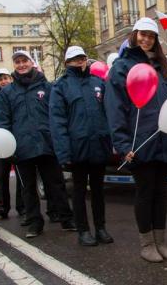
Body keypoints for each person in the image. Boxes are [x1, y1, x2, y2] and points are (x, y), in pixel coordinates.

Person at [105, 17, 167, 263]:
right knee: (145, 192)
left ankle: (161, 241)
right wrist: (123, 145)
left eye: (151, 36)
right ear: (134, 35)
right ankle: (147, 243)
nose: (146, 39)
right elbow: (115, 109)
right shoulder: (122, 67)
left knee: (161, 193)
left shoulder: (166, 68)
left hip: (166, 140)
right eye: (143, 34)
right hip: (140, 144)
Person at [0, 50, 76, 238]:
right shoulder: (7, 92)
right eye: (17, 62)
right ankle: (34, 223)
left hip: (47, 145)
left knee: (56, 184)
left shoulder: (47, 87)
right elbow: (2, 121)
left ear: (31, 63)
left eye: (25, 61)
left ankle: (66, 218)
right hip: (21, 148)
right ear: (14, 66)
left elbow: (57, 114)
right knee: (28, 189)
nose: (21, 65)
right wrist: (8, 146)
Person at [50, 46, 114, 247]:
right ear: (67, 62)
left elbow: (108, 114)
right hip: (77, 148)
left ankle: (101, 228)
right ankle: (83, 230)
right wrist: (63, 152)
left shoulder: (98, 83)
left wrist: (111, 142)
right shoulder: (60, 86)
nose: (80, 62)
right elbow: (57, 121)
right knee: (79, 191)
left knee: (98, 190)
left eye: (82, 58)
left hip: (99, 145)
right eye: (75, 59)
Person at [0, 68, 24, 219]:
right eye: (0, 79)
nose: (3, 81)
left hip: (17, 141)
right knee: (1, 176)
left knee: (21, 175)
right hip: (0, 143)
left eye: (6, 78)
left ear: (11, 79)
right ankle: (3, 207)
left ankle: (21, 206)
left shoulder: (17, 94)